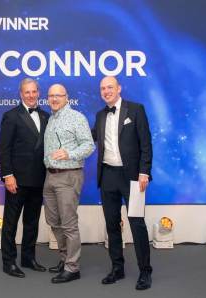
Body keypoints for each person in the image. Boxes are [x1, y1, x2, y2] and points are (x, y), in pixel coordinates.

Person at [91, 76, 153, 290]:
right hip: (107, 175)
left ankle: (145, 271)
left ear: (119, 88)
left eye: (110, 87)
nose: (106, 91)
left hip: (133, 177)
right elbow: (88, 138)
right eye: (102, 88)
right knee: (112, 224)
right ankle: (117, 268)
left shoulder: (136, 110)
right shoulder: (99, 115)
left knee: (137, 223)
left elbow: (146, 142)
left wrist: (145, 171)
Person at [0, 78, 50, 278]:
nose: (31, 95)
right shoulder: (11, 116)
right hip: (16, 181)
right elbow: (4, 149)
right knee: (10, 223)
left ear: (38, 93)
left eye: (34, 91)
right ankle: (8, 262)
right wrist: (8, 175)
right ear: (21, 94)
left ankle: (28, 258)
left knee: (32, 222)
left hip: (39, 179)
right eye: (27, 92)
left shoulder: (46, 116)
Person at [43, 84, 95, 283]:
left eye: (59, 95)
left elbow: (89, 145)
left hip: (68, 175)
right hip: (50, 176)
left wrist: (69, 153)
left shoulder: (76, 118)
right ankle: (64, 259)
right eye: (51, 96)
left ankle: (73, 268)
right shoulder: (51, 119)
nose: (54, 99)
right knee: (54, 222)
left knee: (68, 224)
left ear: (67, 97)